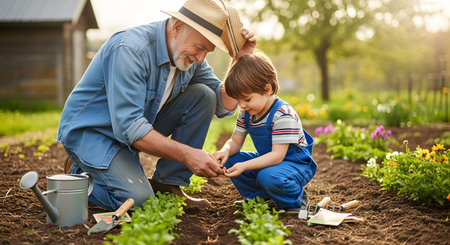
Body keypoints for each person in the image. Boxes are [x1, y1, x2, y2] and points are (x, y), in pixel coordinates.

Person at [57, 0, 256, 211]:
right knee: (138, 202)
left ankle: (168, 185)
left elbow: (222, 104)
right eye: (199, 48)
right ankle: (79, 174)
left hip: (129, 133)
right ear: (178, 27)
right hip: (93, 133)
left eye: (207, 51)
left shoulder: (188, 57)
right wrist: (188, 154)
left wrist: (241, 59)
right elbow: (130, 127)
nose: (200, 58)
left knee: (204, 96)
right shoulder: (131, 50)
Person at [213, 51, 317, 213]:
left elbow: (277, 156)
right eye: (238, 100)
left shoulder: (282, 114)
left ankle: (295, 200)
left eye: (246, 99)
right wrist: (224, 151)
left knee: (267, 176)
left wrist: (245, 165)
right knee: (231, 159)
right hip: (271, 162)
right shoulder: (247, 112)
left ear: (267, 89)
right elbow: (235, 142)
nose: (242, 105)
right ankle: (261, 197)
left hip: (295, 164)